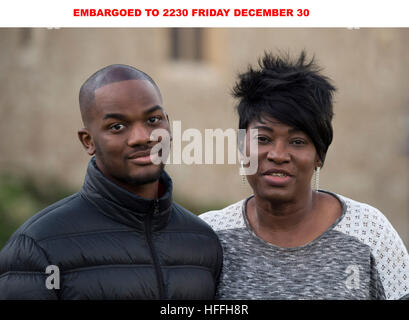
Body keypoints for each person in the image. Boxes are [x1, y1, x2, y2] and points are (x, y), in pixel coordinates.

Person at [0, 64, 222, 299]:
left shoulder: (202, 242)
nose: (142, 137)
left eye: (153, 120)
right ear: (88, 141)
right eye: (117, 126)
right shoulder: (37, 247)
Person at [200, 52, 409, 300]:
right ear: (242, 146)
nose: (278, 154)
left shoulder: (369, 232)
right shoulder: (209, 236)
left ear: (319, 155)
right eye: (263, 139)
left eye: (297, 141)